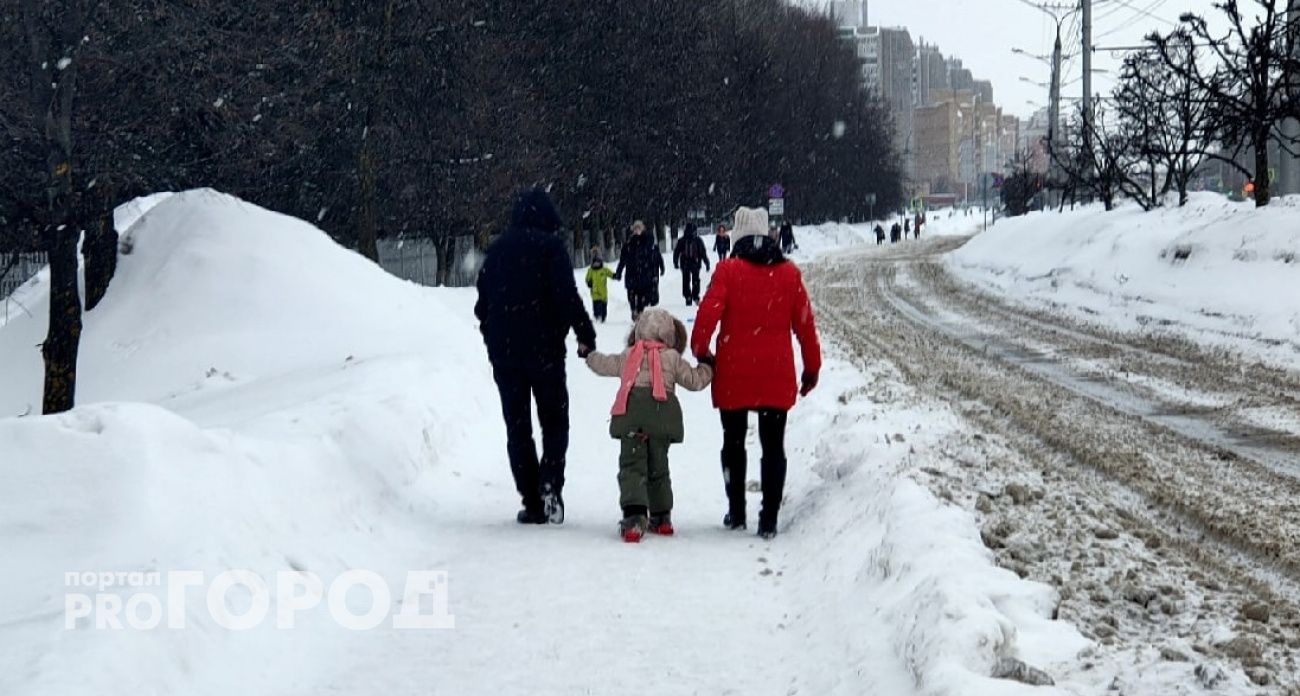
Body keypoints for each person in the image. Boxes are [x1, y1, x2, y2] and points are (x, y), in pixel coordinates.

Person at [691, 206, 821, 540]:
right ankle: (769, 518)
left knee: (733, 442)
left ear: (737, 237)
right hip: (775, 374)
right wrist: (811, 367)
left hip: (734, 372)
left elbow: (706, 317)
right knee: (773, 446)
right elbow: (805, 326)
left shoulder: (728, 271)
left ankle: (736, 513)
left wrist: (702, 352)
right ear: (768, 236)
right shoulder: (789, 274)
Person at [475, 189, 596, 525]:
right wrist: (585, 335)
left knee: (518, 429)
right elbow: (566, 296)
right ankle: (550, 483)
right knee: (555, 422)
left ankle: (531, 500)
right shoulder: (550, 248)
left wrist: (494, 339)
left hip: (506, 356)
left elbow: (482, 306)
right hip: (545, 352)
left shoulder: (496, 251)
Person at [585, 309, 714, 542]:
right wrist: (708, 366)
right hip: (661, 417)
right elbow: (694, 381)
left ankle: (634, 518)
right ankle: (662, 517)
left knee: (632, 466)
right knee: (658, 467)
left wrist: (588, 355)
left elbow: (604, 364)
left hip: (632, 415)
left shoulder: (628, 355)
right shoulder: (673, 358)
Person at [614, 220, 665, 321]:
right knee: (631, 295)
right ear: (633, 230)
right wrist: (619, 272)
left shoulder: (647, 243)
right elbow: (622, 260)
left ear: (643, 229)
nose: (637, 230)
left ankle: (640, 312)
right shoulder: (629, 245)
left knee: (643, 296)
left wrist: (659, 268)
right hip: (631, 274)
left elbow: (655, 257)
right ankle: (634, 310)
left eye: (639, 228)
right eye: (635, 228)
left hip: (644, 275)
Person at [672, 222, 711, 305]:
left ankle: (688, 296)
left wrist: (675, 262)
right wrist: (706, 262)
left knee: (686, 280)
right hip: (695, 262)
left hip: (686, 263)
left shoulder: (682, 240)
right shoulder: (697, 240)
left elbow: (676, 252)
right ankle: (694, 296)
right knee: (695, 280)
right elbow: (703, 252)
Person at [585, 251, 617, 323]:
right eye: (595, 263)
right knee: (597, 305)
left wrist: (615, 275)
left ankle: (603, 317)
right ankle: (597, 316)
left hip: (603, 293)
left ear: (600, 262)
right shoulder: (591, 271)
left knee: (603, 307)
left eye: (598, 262)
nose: (596, 264)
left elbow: (610, 274)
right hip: (595, 293)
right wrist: (589, 282)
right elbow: (587, 279)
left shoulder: (604, 270)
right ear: (592, 263)